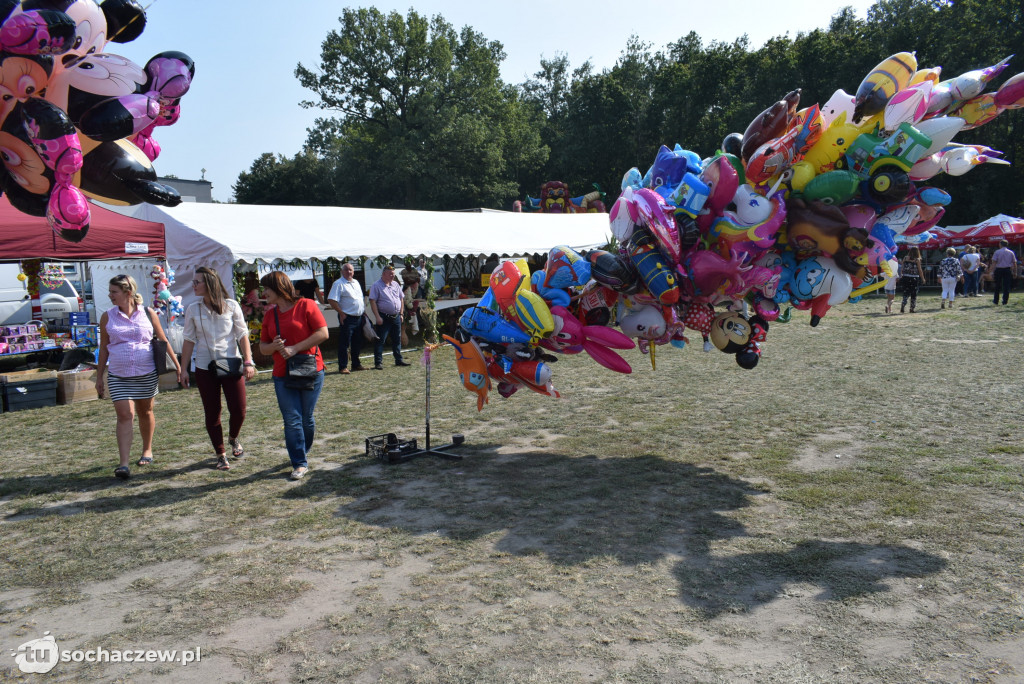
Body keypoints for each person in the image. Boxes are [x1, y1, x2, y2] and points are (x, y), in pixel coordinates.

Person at [95, 274, 181, 480]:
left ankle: (147, 449)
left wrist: (178, 366)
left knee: (146, 411)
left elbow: (163, 340)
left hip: (145, 372)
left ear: (128, 292)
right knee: (125, 415)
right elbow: (104, 348)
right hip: (118, 374)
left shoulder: (147, 312)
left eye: (114, 292)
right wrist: (99, 377)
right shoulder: (107, 316)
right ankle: (123, 464)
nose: (110, 295)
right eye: (110, 292)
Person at [178, 267, 257, 471]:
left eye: (197, 282)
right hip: (205, 366)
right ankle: (220, 453)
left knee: (239, 410)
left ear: (210, 284)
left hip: (230, 363)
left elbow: (242, 335)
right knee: (212, 412)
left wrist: (248, 361)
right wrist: (183, 369)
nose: (193, 286)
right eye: (193, 282)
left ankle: (233, 438)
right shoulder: (193, 309)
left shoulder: (231, 306)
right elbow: (188, 339)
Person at [259, 271, 329, 480]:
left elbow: (323, 333)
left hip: (310, 369)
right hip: (282, 374)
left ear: (279, 288)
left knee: (306, 418)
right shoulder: (270, 314)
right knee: (292, 419)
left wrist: (294, 348)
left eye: (267, 289)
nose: (263, 293)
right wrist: (273, 346)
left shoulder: (306, 305)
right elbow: (262, 347)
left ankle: (302, 451)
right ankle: (299, 462)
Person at [326, 262, 365, 374]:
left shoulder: (356, 282)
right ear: (342, 271)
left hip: (358, 317)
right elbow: (331, 300)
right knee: (345, 343)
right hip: (347, 318)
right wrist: (341, 313)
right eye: (346, 270)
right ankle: (343, 366)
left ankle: (356, 364)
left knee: (357, 342)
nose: (349, 272)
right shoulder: (338, 284)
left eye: (351, 270)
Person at [368, 264, 410, 369]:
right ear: (383, 274)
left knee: (397, 339)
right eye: (390, 274)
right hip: (384, 316)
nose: (392, 276)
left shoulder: (396, 284)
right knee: (380, 340)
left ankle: (398, 360)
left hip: (396, 316)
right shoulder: (376, 285)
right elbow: (372, 301)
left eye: (393, 274)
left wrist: (401, 313)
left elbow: (401, 299)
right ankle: (378, 362)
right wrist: (377, 317)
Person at [990, 239, 1018, 305]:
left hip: (999, 269)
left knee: (997, 285)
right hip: (1007, 269)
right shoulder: (1011, 252)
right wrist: (1015, 272)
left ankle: (996, 300)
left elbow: (994, 263)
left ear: (1000, 244)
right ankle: (1005, 301)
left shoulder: (997, 252)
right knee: (1006, 286)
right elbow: (1014, 263)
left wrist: (991, 271)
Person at [899, 246, 924, 313]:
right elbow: (920, 270)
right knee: (913, 293)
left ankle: (903, 304)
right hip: (914, 278)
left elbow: (902, 266)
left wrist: (901, 274)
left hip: (905, 277)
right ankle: (912, 308)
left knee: (906, 292)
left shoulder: (905, 258)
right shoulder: (917, 260)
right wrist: (923, 278)